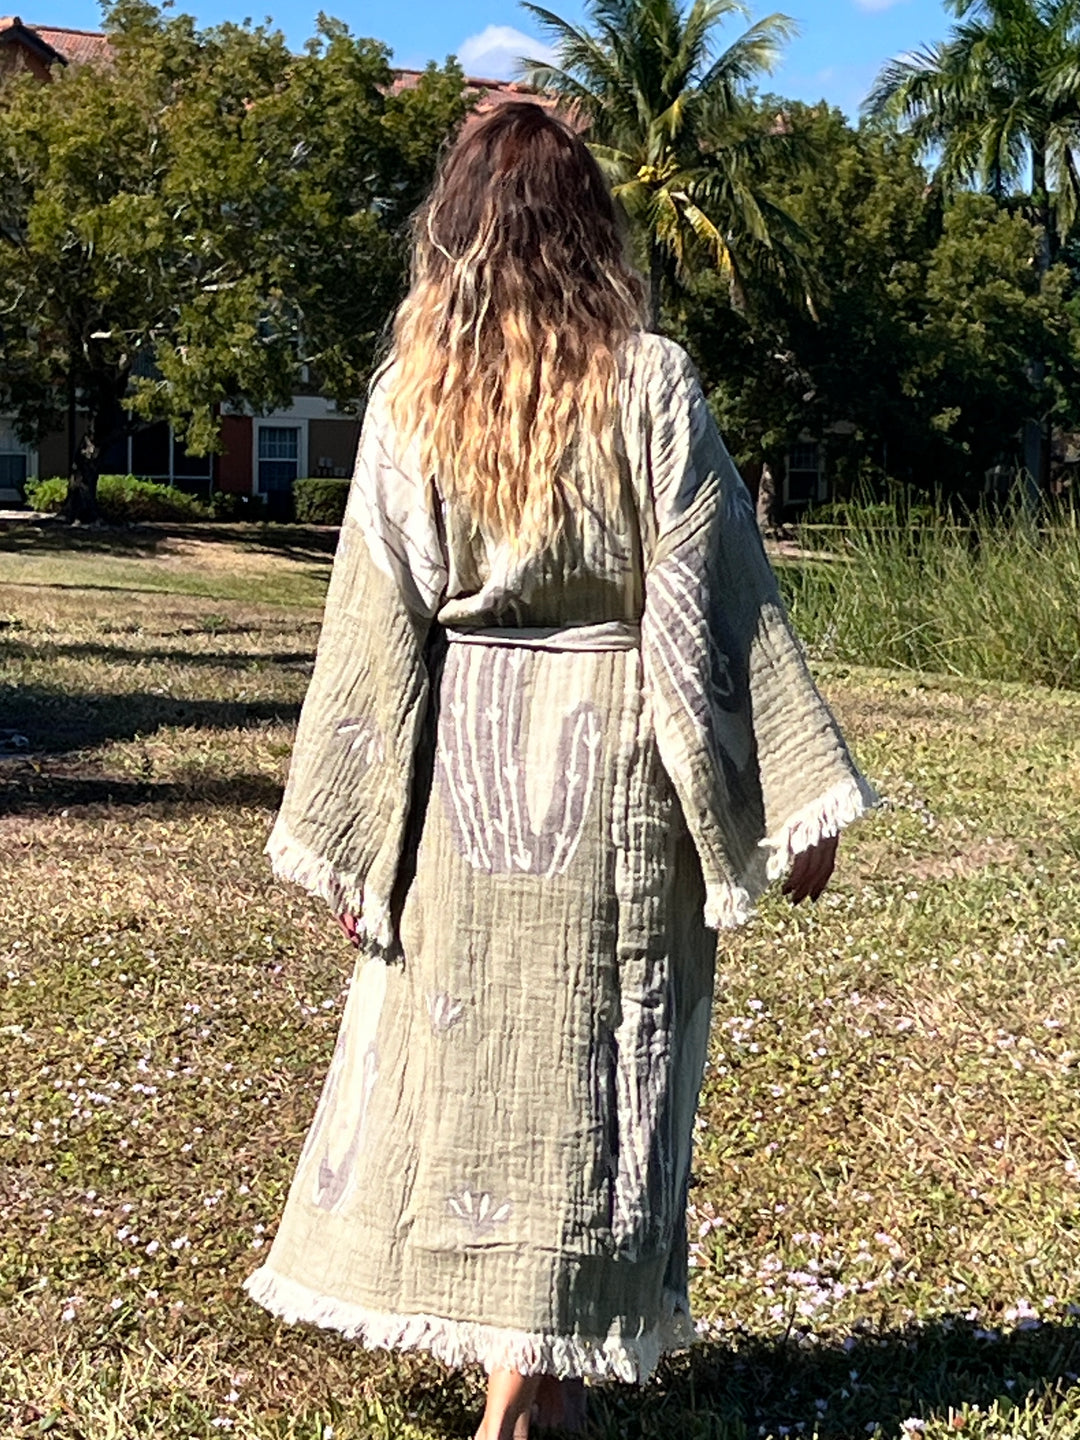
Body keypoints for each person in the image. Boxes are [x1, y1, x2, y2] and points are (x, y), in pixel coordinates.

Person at [244, 101, 876, 1440]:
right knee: (600, 1063)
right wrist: (781, 802)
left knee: (487, 1067)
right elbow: (716, 603)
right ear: (588, 224)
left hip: (465, 773)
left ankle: (544, 1384)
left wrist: (369, 839)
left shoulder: (412, 396)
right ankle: (529, 1405)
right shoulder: (648, 380)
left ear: (455, 229)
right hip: (616, 774)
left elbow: (375, 629)